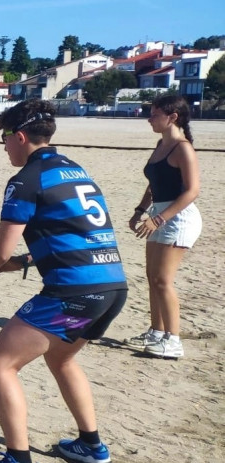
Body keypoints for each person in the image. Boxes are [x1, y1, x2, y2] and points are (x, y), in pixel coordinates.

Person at [0, 99, 127, 463]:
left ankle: (18, 458)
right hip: (113, 286)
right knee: (62, 360)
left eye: (4, 138)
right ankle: (90, 445)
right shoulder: (75, 169)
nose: (4, 146)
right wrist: (22, 261)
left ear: (20, 136)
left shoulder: (25, 179)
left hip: (73, 291)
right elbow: (72, 231)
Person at [125, 94, 201, 358]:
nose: (149, 118)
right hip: (158, 214)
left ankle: (173, 340)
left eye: (154, 114)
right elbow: (153, 182)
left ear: (173, 117)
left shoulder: (183, 148)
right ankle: (156, 332)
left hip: (177, 217)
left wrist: (158, 218)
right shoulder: (162, 144)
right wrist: (140, 211)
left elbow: (192, 191)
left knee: (163, 280)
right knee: (152, 278)